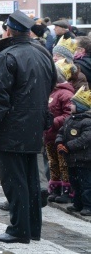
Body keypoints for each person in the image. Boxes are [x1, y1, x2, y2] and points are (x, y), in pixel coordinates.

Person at [0, 10, 57, 244]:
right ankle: (31, 227)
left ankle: (19, 229)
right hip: (33, 125)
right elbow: (51, 84)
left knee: (15, 181)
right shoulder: (42, 52)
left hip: (12, 127)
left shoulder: (7, 55)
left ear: (9, 30)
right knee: (31, 179)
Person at [56, 85, 91, 216]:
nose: (70, 106)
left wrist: (68, 146)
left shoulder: (87, 122)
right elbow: (61, 132)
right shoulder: (69, 119)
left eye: (73, 104)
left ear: (81, 107)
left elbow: (85, 139)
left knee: (86, 184)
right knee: (75, 183)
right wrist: (59, 142)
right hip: (72, 159)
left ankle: (88, 205)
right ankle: (77, 204)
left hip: (84, 160)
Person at [44, 60, 74, 203]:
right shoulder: (50, 91)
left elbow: (68, 115)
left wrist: (54, 122)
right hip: (49, 135)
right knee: (53, 162)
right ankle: (55, 187)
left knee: (63, 163)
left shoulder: (65, 94)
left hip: (60, 135)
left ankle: (66, 190)